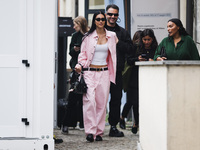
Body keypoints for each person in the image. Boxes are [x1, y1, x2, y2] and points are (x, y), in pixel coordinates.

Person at [75, 11, 118, 142]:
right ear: (94, 21)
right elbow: (82, 55)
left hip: (105, 72)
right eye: (98, 19)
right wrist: (79, 64)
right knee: (89, 101)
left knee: (101, 103)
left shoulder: (112, 36)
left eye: (103, 19)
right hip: (89, 72)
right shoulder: (87, 37)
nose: (101, 21)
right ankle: (90, 131)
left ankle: (99, 132)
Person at [121, 29, 158, 134]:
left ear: (152, 39)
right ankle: (135, 123)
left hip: (150, 79)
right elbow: (129, 60)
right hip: (135, 78)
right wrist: (137, 59)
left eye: (149, 40)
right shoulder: (136, 48)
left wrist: (154, 60)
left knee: (146, 102)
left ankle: (142, 124)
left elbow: (159, 59)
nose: (147, 42)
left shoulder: (156, 48)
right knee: (134, 102)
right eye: (145, 39)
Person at [105, 4, 134, 137]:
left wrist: (118, 42)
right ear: (106, 14)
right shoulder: (99, 30)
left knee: (116, 99)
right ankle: (95, 128)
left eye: (115, 14)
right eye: (110, 14)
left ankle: (113, 126)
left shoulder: (123, 32)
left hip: (117, 71)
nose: (112, 17)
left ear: (118, 16)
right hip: (101, 70)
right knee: (98, 99)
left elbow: (130, 49)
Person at [61, 16, 89, 134]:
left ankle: (84, 123)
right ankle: (66, 123)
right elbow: (70, 52)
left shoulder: (89, 35)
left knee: (86, 98)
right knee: (72, 97)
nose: (74, 27)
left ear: (80, 24)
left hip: (87, 69)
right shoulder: (74, 36)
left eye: (75, 24)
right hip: (76, 69)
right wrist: (75, 49)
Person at [119, 30, 142, 130]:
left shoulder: (146, 48)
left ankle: (135, 124)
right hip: (131, 78)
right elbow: (129, 60)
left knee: (136, 103)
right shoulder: (132, 48)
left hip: (141, 78)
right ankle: (122, 117)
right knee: (130, 102)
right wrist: (138, 59)